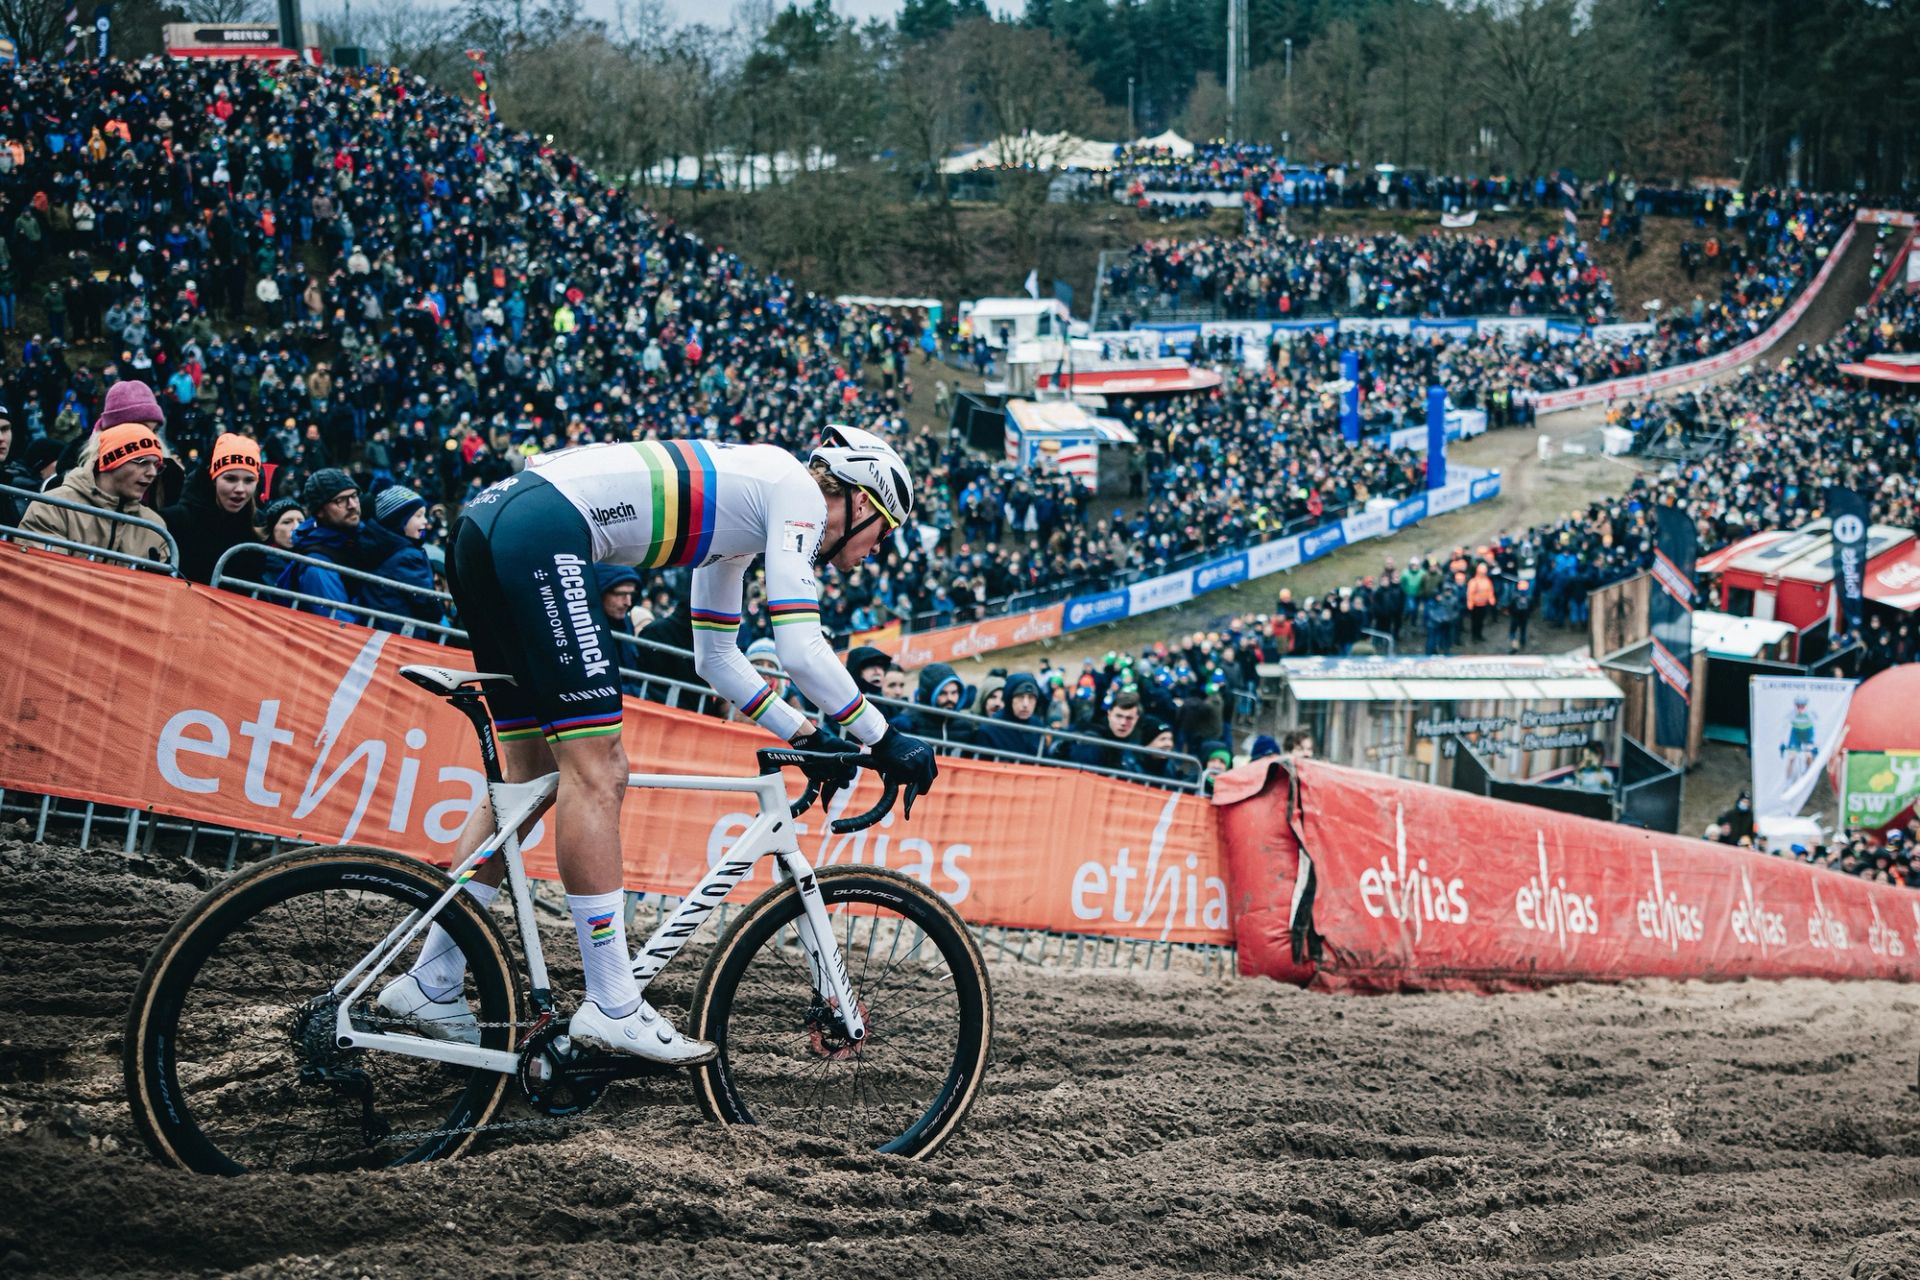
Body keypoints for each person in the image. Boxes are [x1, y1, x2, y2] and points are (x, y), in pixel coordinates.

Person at [380, 425, 939, 1063]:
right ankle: (614, 1003)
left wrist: (806, 732)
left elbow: (717, 658)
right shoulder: (797, 494)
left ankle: (433, 978)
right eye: (883, 532)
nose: (875, 550)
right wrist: (884, 736)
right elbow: (800, 647)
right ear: (863, 503)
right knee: (599, 771)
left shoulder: (744, 516)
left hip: (491, 527)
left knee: (527, 781)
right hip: (541, 534)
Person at [16, 423, 174, 565]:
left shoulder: (154, 527)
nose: (152, 473)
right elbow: (46, 580)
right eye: (142, 462)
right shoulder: (52, 507)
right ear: (111, 461)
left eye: (157, 465)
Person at [162, 433, 261, 584]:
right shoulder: (175, 520)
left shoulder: (256, 530)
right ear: (213, 479)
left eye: (249, 480)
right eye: (230, 478)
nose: (240, 489)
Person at [364, 486, 443, 633]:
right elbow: (429, 608)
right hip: (402, 636)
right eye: (419, 516)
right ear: (400, 520)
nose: (425, 521)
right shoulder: (409, 557)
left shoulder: (378, 546)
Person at [891, 662, 975, 746]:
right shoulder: (907, 724)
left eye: (954, 692)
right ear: (929, 695)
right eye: (942, 693)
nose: (950, 698)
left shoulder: (966, 726)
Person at [973, 670, 1048, 761]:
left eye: (1031, 697)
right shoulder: (989, 730)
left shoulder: (1038, 726)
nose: (1025, 704)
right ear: (1009, 699)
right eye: (1020, 697)